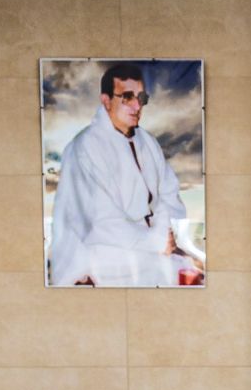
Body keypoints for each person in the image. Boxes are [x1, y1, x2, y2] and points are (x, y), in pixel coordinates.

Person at [48, 62, 188, 287]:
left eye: (140, 98)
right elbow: (99, 222)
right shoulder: (85, 146)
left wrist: (163, 232)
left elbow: (167, 191)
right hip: (94, 253)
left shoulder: (148, 142)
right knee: (175, 273)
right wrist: (155, 242)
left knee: (186, 270)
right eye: (127, 97)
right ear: (106, 101)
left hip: (146, 245)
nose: (136, 106)